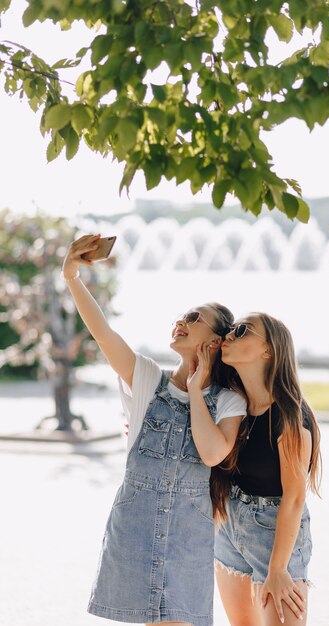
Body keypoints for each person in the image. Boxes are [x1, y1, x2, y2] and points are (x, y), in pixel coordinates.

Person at [61, 234, 246, 626]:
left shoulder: (229, 402)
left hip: (187, 541)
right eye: (182, 315)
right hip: (136, 530)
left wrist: (196, 390)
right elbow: (104, 335)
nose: (181, 321)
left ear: (214, 342)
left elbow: (213, 454)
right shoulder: (147, 378)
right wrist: (73, 278)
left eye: (193, 318)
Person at [212, 313, 322, 626]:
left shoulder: (290, 415)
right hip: (229, 527)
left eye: (242, 330)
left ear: (268, 350)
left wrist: (278, 569)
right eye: (230, 330)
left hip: (275, 533)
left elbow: (294, 499)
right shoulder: (233, 404)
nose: (230, 335)